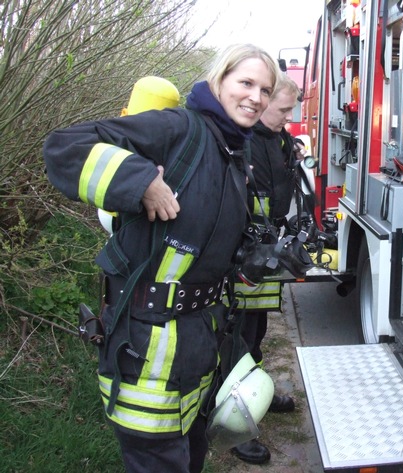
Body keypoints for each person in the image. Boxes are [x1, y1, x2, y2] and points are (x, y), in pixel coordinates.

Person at [42, 43, 279, 473]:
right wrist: (139, 182)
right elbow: (64, 147)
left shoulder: (233, 153)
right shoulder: (178, 130)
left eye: (265, 89)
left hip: (199, 349)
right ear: (218, 81)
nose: (256, 97)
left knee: (190, 461)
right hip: (146, 354)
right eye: (245, 83)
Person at [230, 73, 304, 465]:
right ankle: (235, 423)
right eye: (284, 109)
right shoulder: (240, 140)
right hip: (239, 256)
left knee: (256, 329)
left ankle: (256, 393)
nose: (288, 117)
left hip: (264, 251)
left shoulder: (278, 139)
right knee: (234, 337)